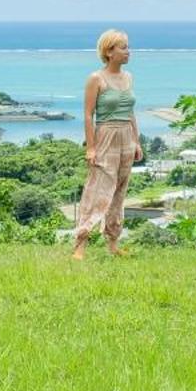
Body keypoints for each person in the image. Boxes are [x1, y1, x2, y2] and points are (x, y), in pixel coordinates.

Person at [75, 28, 142, 260]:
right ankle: (81, 243)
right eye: (123, 47)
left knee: (119, 192)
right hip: (106, 136)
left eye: (127, 47)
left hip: (126, 138)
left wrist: (137, 141)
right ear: (109, 51)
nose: (128, 52)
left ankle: (112, 243)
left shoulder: (128, 77)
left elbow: (131, 112)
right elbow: (87, 115)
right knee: (97, 191)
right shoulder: (96, 79)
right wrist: (90, 148)